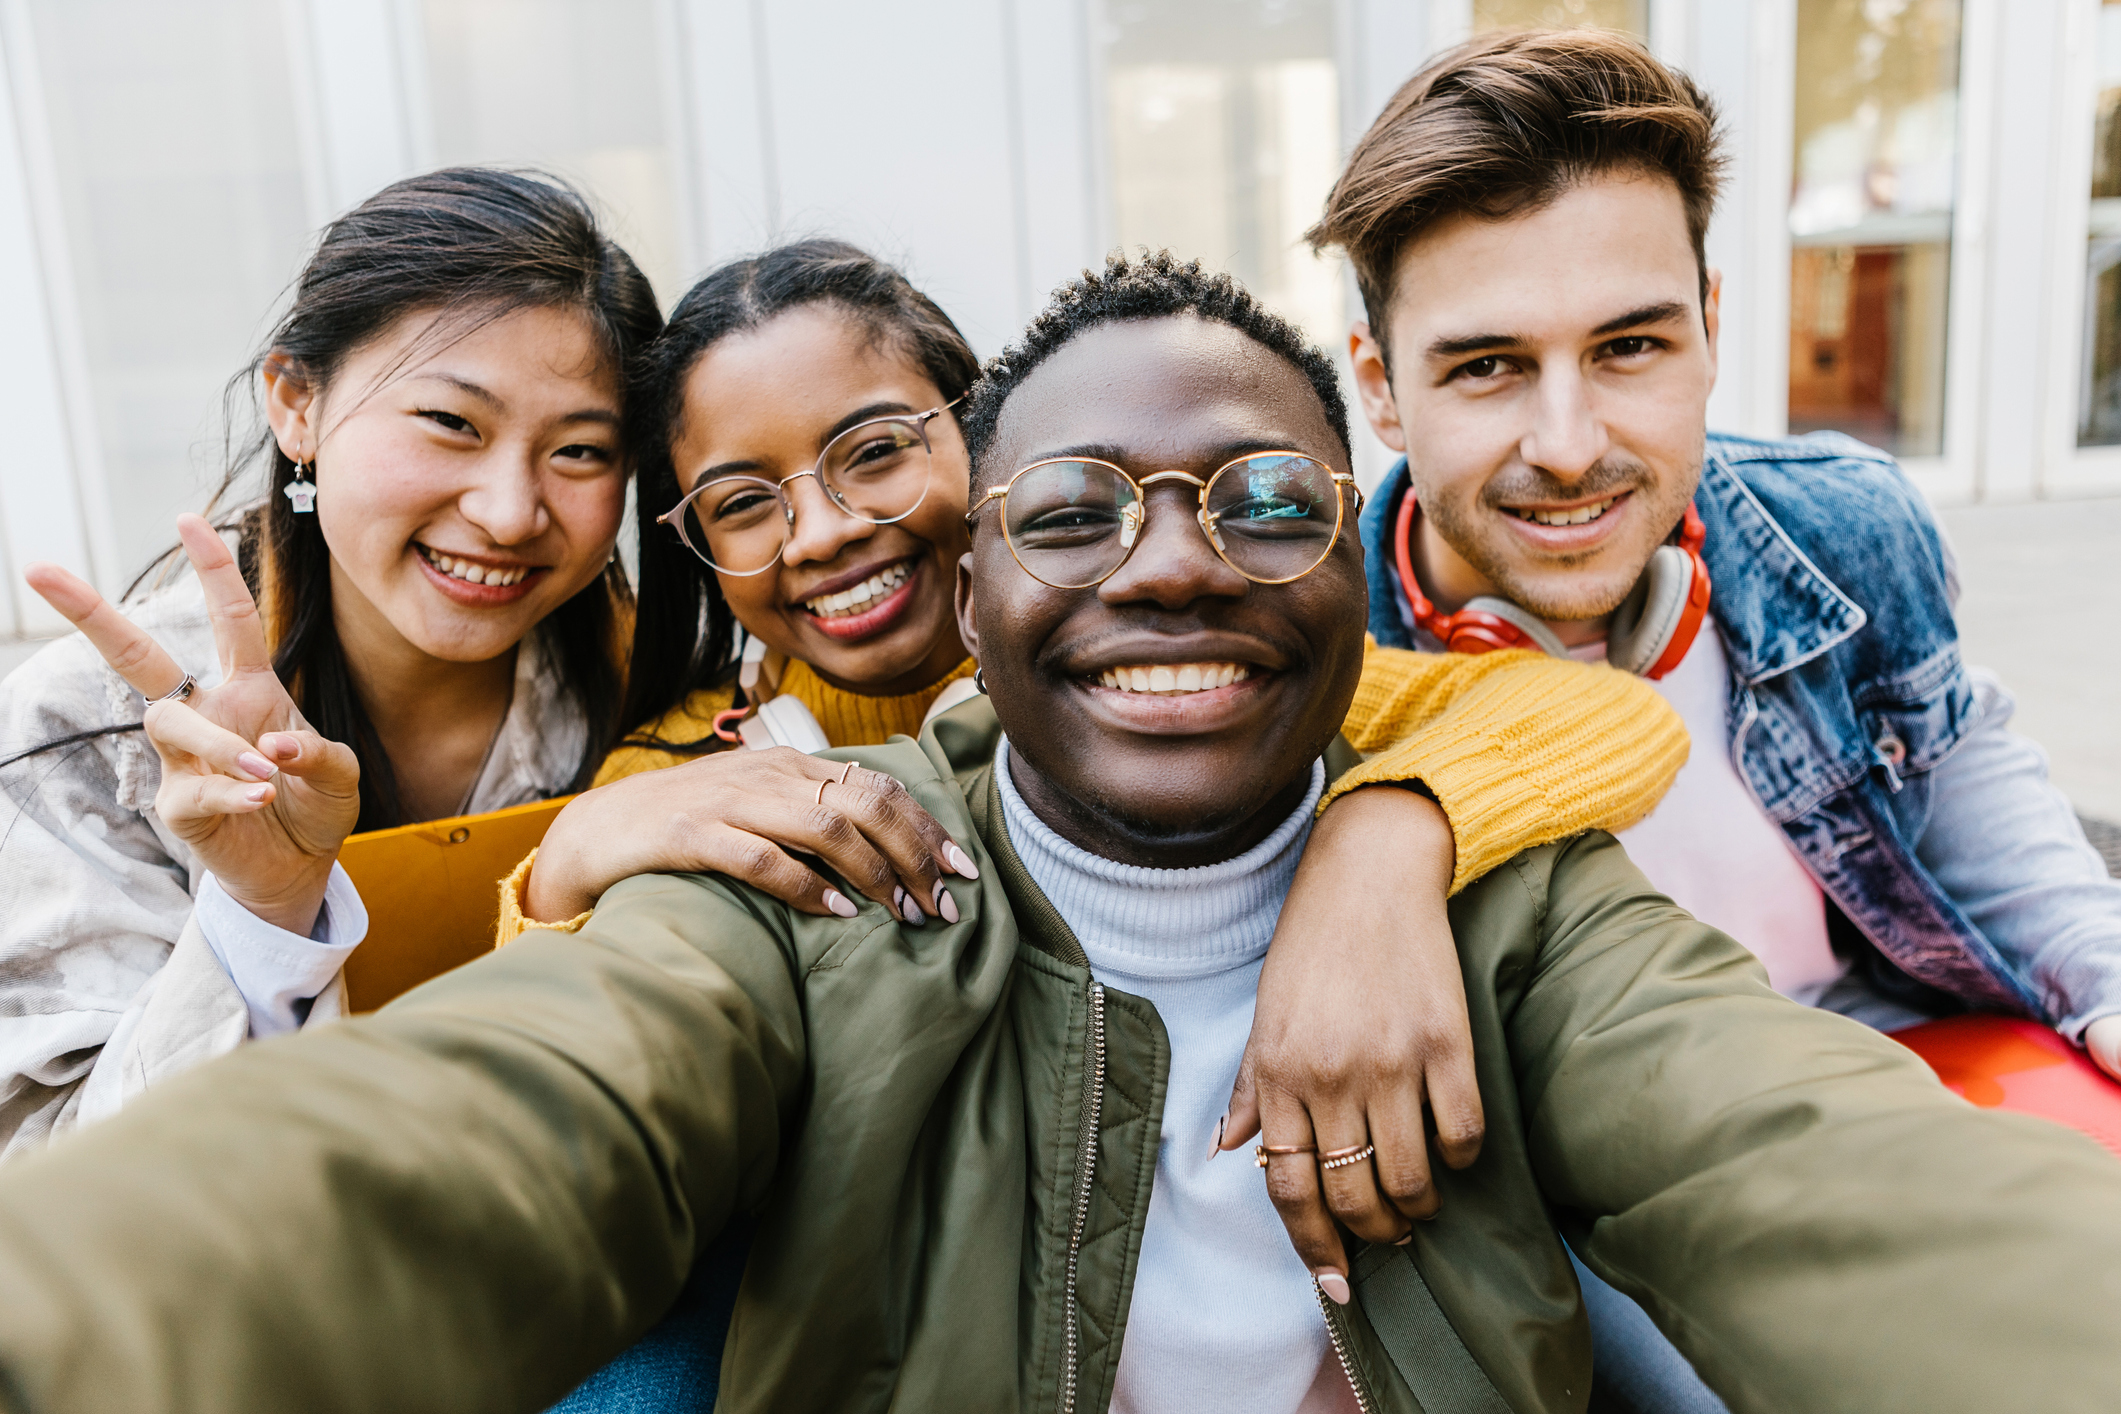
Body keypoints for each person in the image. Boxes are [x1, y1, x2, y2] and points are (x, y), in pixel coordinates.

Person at [4, 257, 2119, 1414]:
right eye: (1082, 509)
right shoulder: (773, 827)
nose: (1170, 563)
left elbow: (1803, 1157)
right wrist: (551, 869)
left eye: (1267, 503)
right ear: (994, 565)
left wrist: (1389, 842)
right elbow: (501, 1118)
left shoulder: (1476, 829)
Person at [1307, 27, 2121, 1409]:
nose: (1568, 444)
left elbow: (1975, 792)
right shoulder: (1310, 655)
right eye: (1487, 366)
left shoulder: (1836, 527)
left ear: (1712, 328)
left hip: (1896, 1038)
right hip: (1583, 1167)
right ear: (1379, 386)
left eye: (1628, 345)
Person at [0, 169, 660, 1155]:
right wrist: (262, 912)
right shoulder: (97, 727)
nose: (511, 511)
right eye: (452, 423)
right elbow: (53, 1181)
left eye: (580, 451)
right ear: (295, 403)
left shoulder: (650, 690)